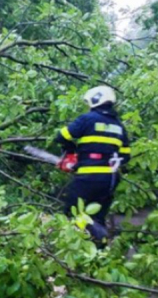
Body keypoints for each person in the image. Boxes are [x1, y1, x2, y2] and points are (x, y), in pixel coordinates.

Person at [55, 85, 131, 244]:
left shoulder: (87, 119)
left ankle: (74, 245)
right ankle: (99, 249)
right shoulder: (119, 126)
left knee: (73, 211)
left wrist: (71, 152)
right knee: (97, 217)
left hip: (88, 177)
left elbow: (61, 136)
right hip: (109, 180)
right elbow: (125, 156)